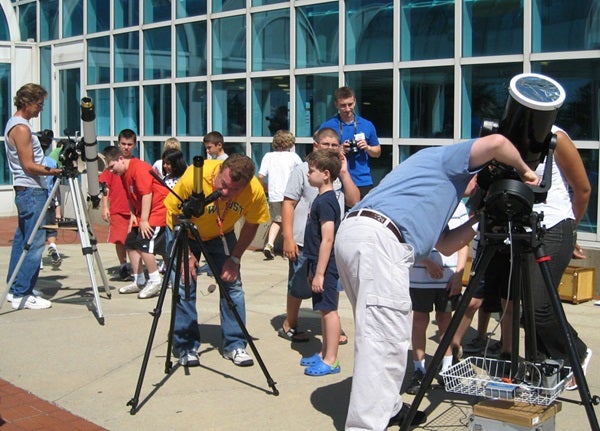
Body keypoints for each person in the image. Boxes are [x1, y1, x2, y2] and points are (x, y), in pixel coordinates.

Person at [334, 133, 539, 430]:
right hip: (379, 240)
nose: (475, 191)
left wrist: (481, 218)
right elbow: (497, 142)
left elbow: (444, 245)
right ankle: (365, 426)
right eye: (481, 183)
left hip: (362, 235)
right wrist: (525, 171)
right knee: (383, 338)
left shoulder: (438, 189)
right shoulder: (447, 160)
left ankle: (389, 408)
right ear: (480, 168)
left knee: (382, 331)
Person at [164, 153, 269, 367]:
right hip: (185, 231)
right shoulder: (195, 176)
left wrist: (235, 258)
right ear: (220, 170)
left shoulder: (254, 191)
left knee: (233, 286)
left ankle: (235, 344)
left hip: (221, 233)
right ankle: (186, 346)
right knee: (185, 285)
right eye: (223, 185)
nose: (226, 192)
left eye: (234, 190)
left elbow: (252, 224)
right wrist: (187, 254)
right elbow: (174, 213)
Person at [279, 128, 359, 343]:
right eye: (326, 144)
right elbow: (288, 203)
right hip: (305, 241)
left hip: (332, 243)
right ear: (316, 145)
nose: (331, 148)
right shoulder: (304, 170)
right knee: (298, 285)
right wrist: (287, 237)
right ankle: (291, 323)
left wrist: (344, 173)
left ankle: (332, 327)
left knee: (331, 285)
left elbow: (354, 200)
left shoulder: (338, 171)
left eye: (335, 145)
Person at [4, 83, 62, 310]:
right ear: (27, 103)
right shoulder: (21, 128)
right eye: (39, 105)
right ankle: (22, 293)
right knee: (35, 242)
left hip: (27, 190)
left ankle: (15, 286)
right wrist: (54, 171)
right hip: (31, 189)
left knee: (22, 241)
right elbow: (29, 165)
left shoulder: (18, 125)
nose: (41, 109)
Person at [405, 201, 469, 395]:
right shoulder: (417, 205)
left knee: (445, 321)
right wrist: (426, 262)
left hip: (448, 278)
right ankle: (419, 369)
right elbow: (407, 240)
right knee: (419, 321)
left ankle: (447, 367)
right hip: (418, 277)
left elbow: (463, 243)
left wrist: (459, 275)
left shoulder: (458, 207)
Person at [102, 145, 169, 300]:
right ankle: (139, 279)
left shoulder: (139, 168)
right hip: (143, 212)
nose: (111, 171)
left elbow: (147, 194)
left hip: (158, 209)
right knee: (131, 242)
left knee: (145, 243)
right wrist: (133, 215)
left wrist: (144, 220)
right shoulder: (123, 173)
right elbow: (129, 195)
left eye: (112, 167)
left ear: (120, 159)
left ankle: (155, 280)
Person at [299, 149, 343, 376]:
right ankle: (324, 352)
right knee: (323, 310)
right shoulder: (321, 197)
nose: (308, 175)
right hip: (316, 262)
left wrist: (320, 273)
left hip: (325, 265)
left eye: (311, 171)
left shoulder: (327, 202)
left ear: (326, 174)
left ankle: (332, 360)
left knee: (329, 311)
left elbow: (328, 238)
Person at [319, 86, 381, 199]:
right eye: (343, 105)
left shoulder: (367, 125)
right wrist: (338, 151)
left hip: (362, 181)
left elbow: (377, 152)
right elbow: (318, 153)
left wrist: (367, 148)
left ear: (355, 102)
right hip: (336, 181)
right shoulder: (328, 126)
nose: (347, 109)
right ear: (336, 104)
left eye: (350, 104)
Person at [99, 129, 138, 281]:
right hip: (117, 207)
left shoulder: (136, 164)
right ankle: (123, 266)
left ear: (134, 145)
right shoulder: (111, 164)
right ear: (118, 144)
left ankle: (136, 269)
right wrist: (105, 207)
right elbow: (105, 187)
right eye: (123, 144)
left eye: (129, 144)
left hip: (133, 209)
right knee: (119, 239)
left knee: (133, 241)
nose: (126, 147)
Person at [258, 130, 302, 260]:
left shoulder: (268, 156)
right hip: (291, 194)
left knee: (277, 220)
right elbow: (302, 172)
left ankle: (269, 244)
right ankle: (286, 250)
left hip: (274, 194)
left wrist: (264, 187)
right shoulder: (293, 157)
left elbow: (260, 176)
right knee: (290, 222)